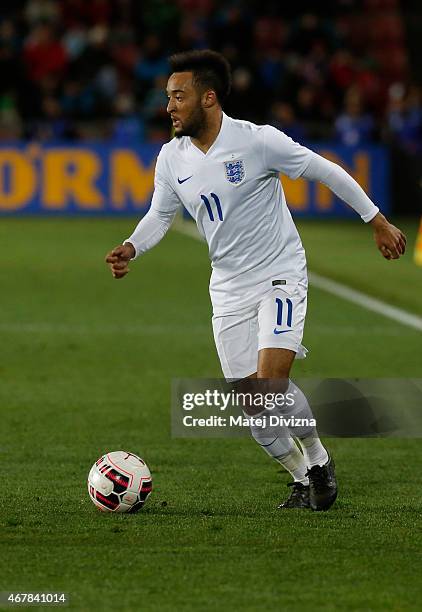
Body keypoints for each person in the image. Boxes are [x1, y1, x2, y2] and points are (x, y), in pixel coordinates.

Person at [106, 50, 406, 511]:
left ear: (208, 98)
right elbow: (160, 214)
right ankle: (303, 476)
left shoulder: (257, 141)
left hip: (278, 274)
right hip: (227, 288)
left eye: (178, 96)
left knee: (272, 384)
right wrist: (131, 246)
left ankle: (320, 462)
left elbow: (323, 169)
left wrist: (377, 219)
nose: (169, 107)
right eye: (168, 97)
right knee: (255, 406)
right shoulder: (171, 158)